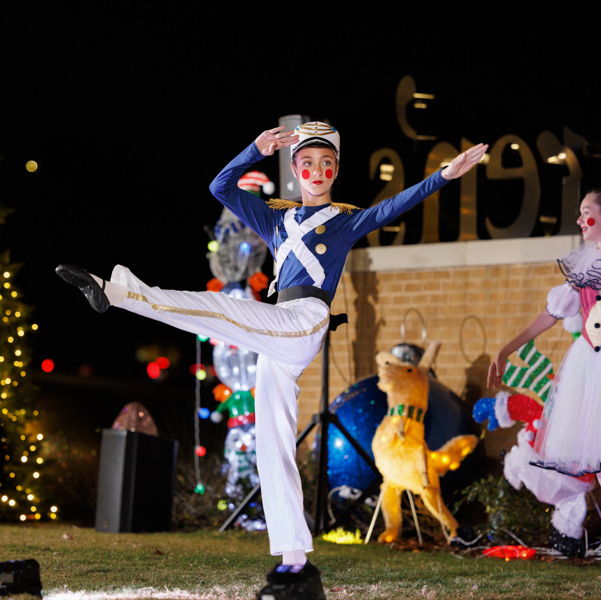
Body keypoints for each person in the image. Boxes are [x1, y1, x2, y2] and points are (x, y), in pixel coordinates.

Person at [57, 122, 486, 594]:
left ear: (336, 171)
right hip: (278, 331)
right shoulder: (276, 220)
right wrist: (255, 150)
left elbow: (396, 204)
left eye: (326, 164)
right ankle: (294, 558)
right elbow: (219, 186)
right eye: (307, 164)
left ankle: (117, 292)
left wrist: (444, 175)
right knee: (273, 442)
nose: (317, 171)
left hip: (304, 319)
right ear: (296, 170)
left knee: (220, 307)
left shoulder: (345, 220)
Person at [488, 191, 601, 479]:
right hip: (591, 368)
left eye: (586, 211)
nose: (579, 220)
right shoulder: (586, 265)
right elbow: (552, 313)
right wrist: (505, 350)